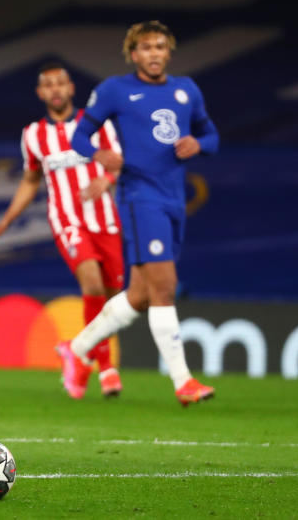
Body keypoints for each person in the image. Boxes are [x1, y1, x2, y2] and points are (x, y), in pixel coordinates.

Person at [57, 20, 219, 406]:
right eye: (146, 48)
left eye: (160, 47)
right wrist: (99, 153)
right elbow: (79, 135)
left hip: (173, 199)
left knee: (140, 295)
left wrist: (198, 143)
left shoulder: (187, 90)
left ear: (169, 52)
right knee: (165, 286)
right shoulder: (116, 89)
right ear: (134, 54)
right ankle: (183, 382)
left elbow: (211, 136)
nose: (154, 54)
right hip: (138, 197)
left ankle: (76, 349)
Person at [0, 62, 125, 399]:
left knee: (114, 297)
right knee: (90, 282)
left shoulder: (97, 125)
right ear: (40, 93)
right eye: (48, 84)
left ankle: (77, 352)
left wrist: (104, 182)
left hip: (104, 220)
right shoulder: (33, 135)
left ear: (71, 88)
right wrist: (5, 222)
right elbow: (31, 181)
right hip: (67, 221)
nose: (56, 89)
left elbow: (117, 162)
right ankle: (106, 368)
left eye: (61, 83)